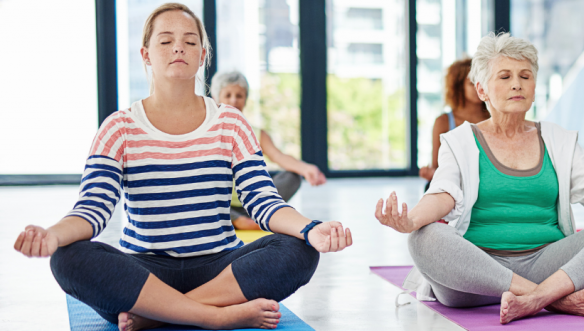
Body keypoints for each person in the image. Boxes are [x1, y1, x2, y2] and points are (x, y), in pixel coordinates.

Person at [11, 4, 353, 330]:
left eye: (190, 41)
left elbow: (263, 201)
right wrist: (51, 235)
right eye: (166, 41)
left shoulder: (230, 122)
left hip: (220, 268)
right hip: (145, 272)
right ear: (146, 54)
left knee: (298, 249)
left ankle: (158, 315)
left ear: (202, 55)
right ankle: (215, 316)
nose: (179, 48)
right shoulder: (119, 127)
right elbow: (91, 211)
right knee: (68, 258)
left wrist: (311, 229)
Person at [375, 32, 584, 325]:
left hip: (550, 263)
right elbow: (442, 195)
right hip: (475, 275)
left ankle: (539, 294)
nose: (517, 84)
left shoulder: (558, 139)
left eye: (525, 77)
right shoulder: (460, 140)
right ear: (482, 89)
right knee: (424, 237)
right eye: (505, 76)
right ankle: (551, 299)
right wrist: (408, 220)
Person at [210, 71, 327, 231]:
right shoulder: (209, 131)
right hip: (222, 206)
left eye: (239, 95)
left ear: (246, 99)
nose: (234, 100)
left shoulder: (256, 133)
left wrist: (306, 169)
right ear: (216, 98)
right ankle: (238, 220)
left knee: (292, 176)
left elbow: (278, 156)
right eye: (228, 95)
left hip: (252, 202)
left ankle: (256, 215)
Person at [419, 58, 490, 190]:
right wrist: (431, 173)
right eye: (471, 83)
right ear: (459, 87)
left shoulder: (495, 118)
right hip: (455, 184)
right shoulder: (443, 121)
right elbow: (436, 166)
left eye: (483, 82)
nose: (479, 88)